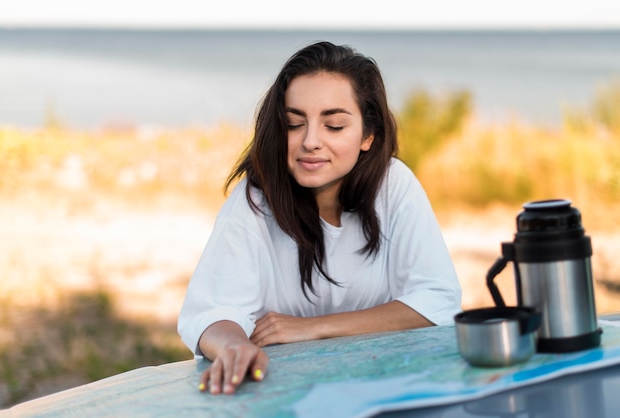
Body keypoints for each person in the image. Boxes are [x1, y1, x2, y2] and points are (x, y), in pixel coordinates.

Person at [178, 41, 461, 396]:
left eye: (335, 126)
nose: (310, 141)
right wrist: (235, 347)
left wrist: (312, 328)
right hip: (284, 394)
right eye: (294, 123)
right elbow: (212, 311)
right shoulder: (254, 199)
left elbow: (437, 299)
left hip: (385, 384)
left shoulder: (394, 184)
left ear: (367, 136)